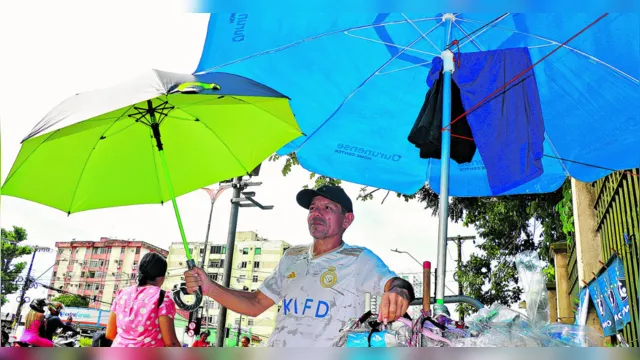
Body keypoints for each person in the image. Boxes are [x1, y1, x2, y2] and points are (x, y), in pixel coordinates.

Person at [185, 185, 415, 347]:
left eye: (327, 208)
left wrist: (397, 292)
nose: (316, 213)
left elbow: (396, 283)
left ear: (347, 220)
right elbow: (256, 303)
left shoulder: (358, 258)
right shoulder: (291, 256)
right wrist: (210, 288)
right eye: (313, 207)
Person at [106, 252, 181, 347]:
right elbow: (171, 342)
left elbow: (109, 334)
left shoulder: (122, 294)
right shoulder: (162, 297)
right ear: (162, 277)